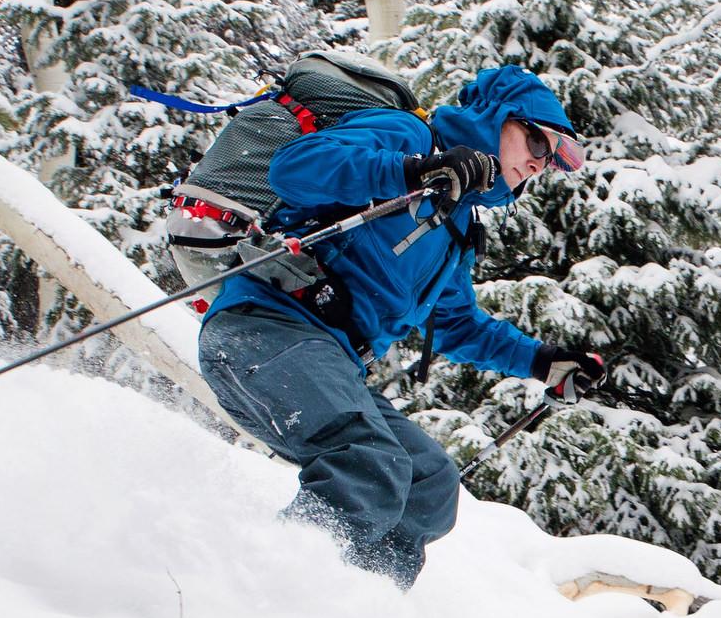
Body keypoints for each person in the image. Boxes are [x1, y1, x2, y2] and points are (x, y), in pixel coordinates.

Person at [197, 65, 605, 589]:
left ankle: (357, 615)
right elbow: (295, 168)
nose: (538, 163)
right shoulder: (408, 136)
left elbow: (458, 325)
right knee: (368, 461)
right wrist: (411, 171)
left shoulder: (456, 224)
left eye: (554, 160)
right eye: (536, 142)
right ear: (497, 118)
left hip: (330, 363)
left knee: (428, 484)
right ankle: (258, 595)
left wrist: (542, 361)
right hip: (265, 328)